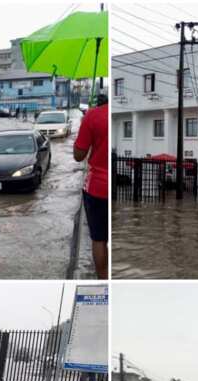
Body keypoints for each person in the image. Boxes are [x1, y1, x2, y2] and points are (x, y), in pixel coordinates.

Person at [73, 93, 109, 279]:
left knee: (99, 239)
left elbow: (79, 155)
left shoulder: (93, 116)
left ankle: (103, 279)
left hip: (98, 188)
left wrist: (85, 125)